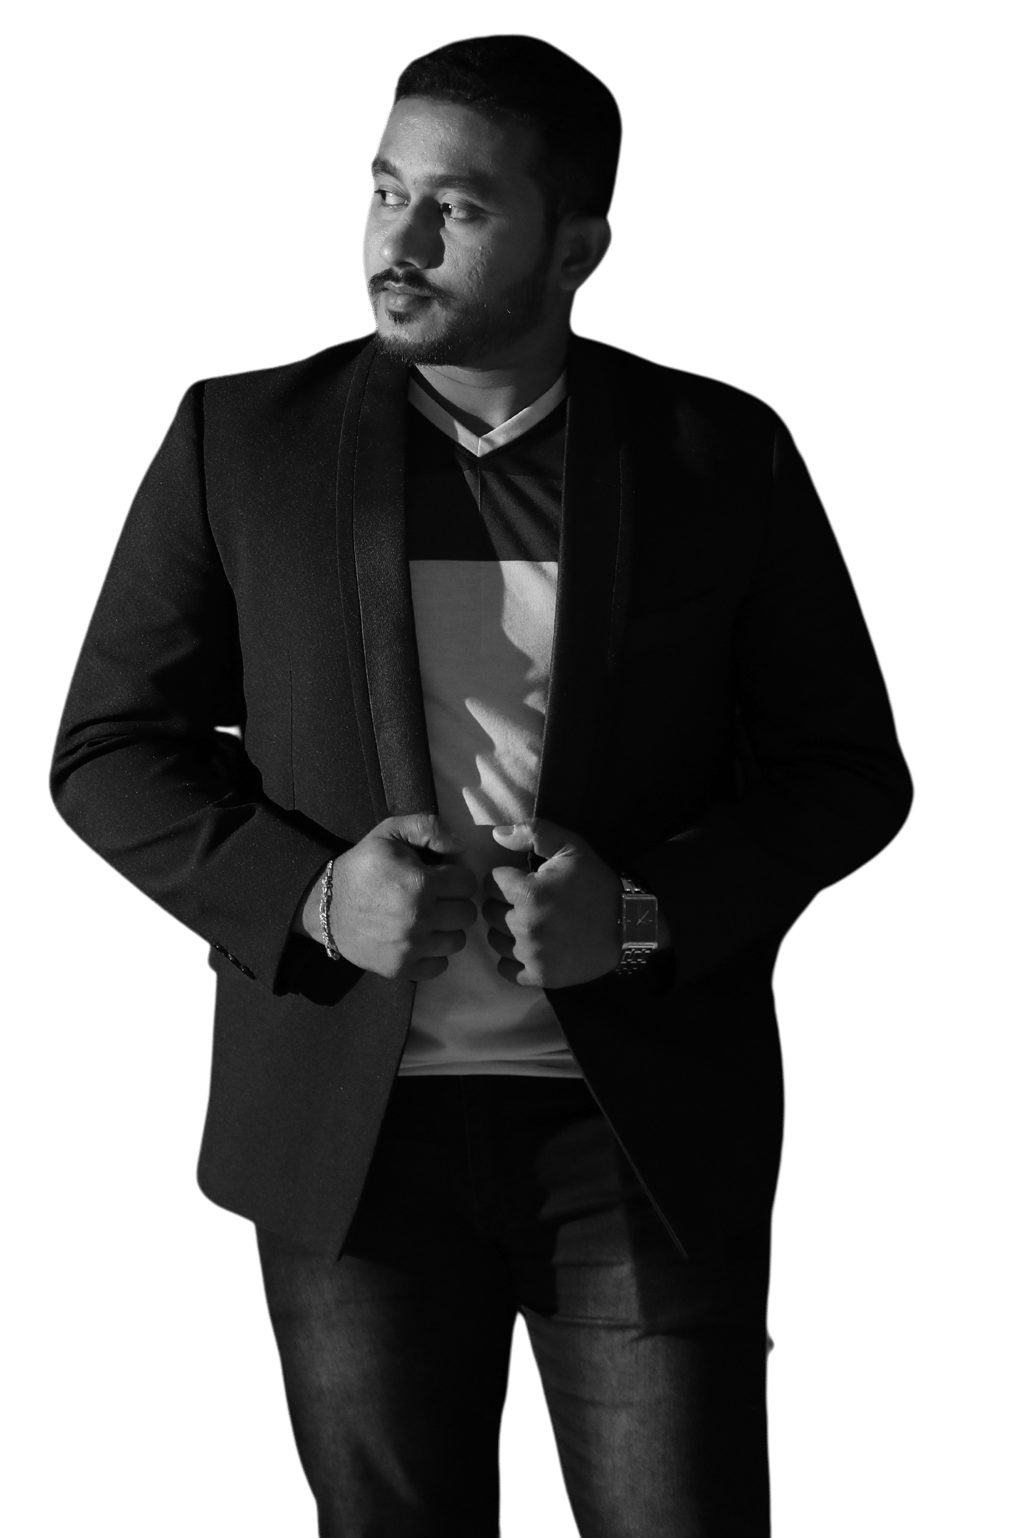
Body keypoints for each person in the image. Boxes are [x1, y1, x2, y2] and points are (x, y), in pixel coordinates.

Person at [49, 31, 914, 1538]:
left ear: (579, 249)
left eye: (458, 208)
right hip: (346, 1143)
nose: (397, 241)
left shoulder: (722, 451)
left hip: (635, 1134)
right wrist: (314, 898)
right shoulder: (235, 440)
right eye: (385, 190)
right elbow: (107, 751)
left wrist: (641, 914)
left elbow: (846, 772)